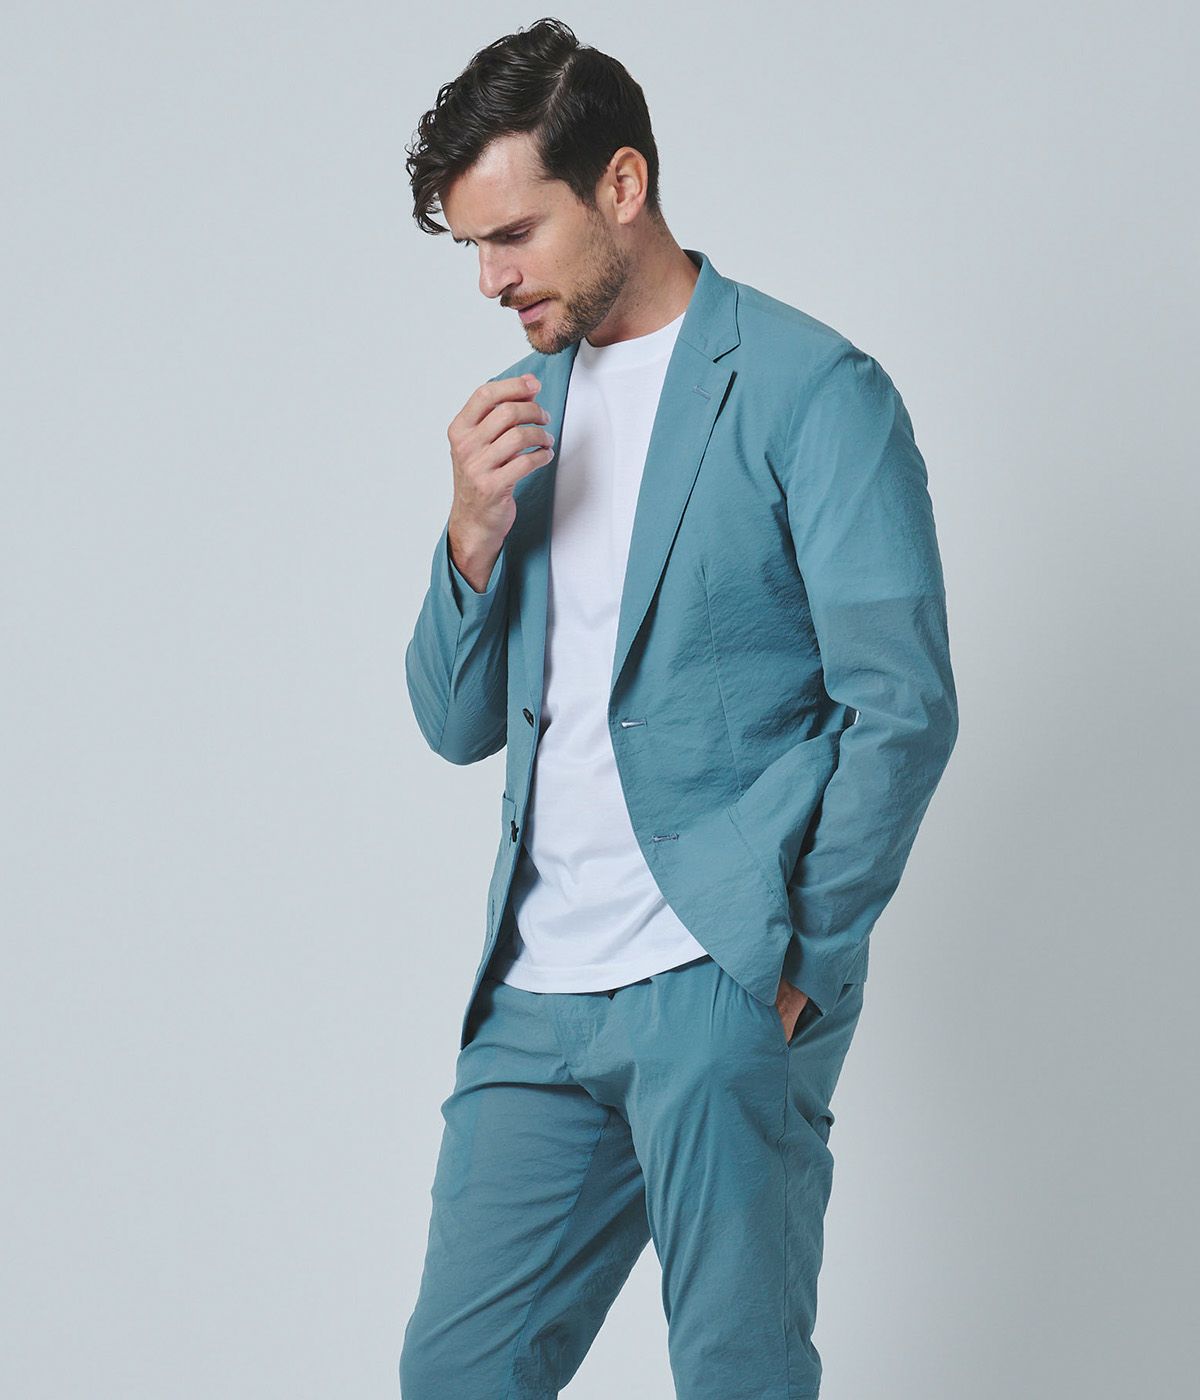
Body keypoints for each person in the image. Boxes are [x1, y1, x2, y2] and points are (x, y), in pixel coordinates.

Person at [399, 18, 958, 1399]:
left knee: (736, 1378)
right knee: (454, 1377)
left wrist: (795, 958)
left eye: (513, 234)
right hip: (535, 995)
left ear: (623, 185)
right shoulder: (518, 412)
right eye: (473, 247)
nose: (491, 279)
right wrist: (469, 535)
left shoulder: (811, 389)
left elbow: (900, 704)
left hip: (719, 981)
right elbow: (456, 725)